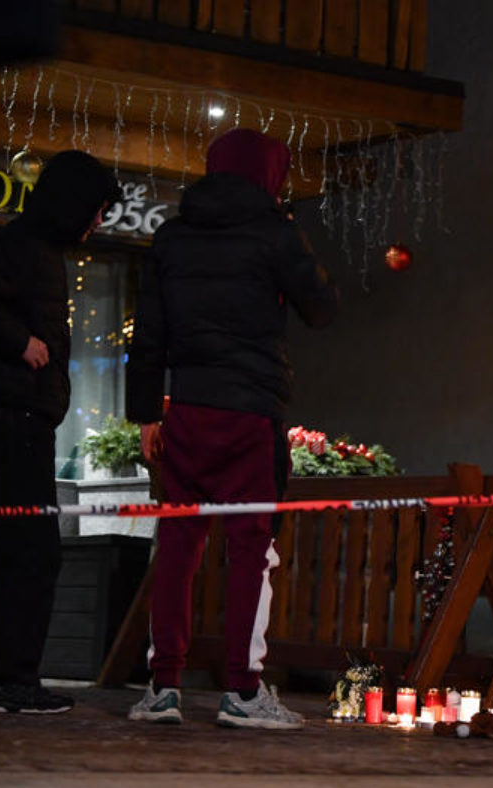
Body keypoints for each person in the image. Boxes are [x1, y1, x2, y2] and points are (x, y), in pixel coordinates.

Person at [125, 128, 338, 730]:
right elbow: (322, 309)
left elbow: (148, 332)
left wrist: (146, 414)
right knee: (251, 549)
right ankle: (243, 691)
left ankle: (162, 687)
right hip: (251, 413)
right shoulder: (275, 230)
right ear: (270, 175)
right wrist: (294, 243)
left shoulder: (172, 236)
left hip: (188, 410)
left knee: (177, 546)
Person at [0, 150, 120, 713]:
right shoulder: (26, 247)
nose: (99, 222)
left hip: (10, 424)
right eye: (96, 209)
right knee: (29, 554)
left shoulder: (32, 247)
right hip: (16, 424)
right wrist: (19, 341)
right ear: (73, 204)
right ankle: (8, 682)